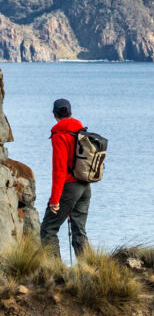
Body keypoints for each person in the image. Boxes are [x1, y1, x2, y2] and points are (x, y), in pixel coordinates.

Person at [40, 98, 90, 259]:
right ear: (70, 112)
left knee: (48, 229)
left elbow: (59, 170)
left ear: (54, 114)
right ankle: (89, 268)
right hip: (85, 186)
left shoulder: (59, 134)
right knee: (79, 229)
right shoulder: (80, 130)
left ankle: (54, 271)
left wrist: (55, 199)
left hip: (69, 187)